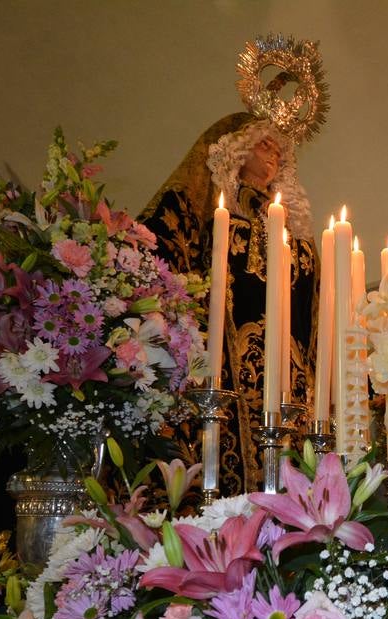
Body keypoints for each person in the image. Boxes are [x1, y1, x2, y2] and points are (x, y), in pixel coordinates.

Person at [139, 112, 319, 498]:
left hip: (288, 385)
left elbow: (316, 311)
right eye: (263, 143)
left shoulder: (296, 234)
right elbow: (160, 250)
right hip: (220, 376)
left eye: (279, 149)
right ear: (235, 147)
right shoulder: (210, 212)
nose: (272, 155)